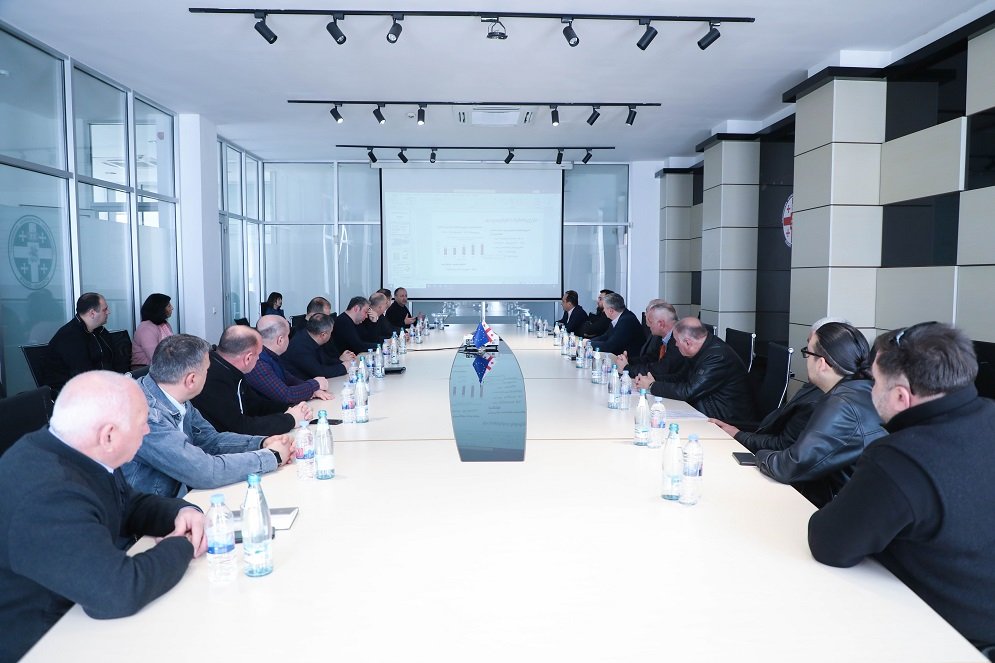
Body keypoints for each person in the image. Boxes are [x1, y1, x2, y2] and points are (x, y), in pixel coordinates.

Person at [808, 323, 995, 656]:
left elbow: (830, 545)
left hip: (945, 641)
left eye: (875, 381)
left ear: (899, 397)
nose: (870, 390)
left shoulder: (900, 458)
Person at [0, 371, 205, 661]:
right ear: (108, 435)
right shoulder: (47, 493)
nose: (147, 431)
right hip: (46, 641)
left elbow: (128, 504)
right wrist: (183, 544)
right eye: (142, 423)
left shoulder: (77, 449)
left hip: (79, 614)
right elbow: (119, 592)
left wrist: (182, 511)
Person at [122, 334, 295, 498]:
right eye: (207, 370)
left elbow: (211, 441)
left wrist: (261, 443)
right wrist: (272, 456)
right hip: (156, 511)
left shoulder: (175, 395)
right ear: (191, 380)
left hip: (182, 498)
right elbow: (204, 471)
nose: (209, 374)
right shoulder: (146, 417)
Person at [744, 321, 885, 506]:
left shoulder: (840, 405)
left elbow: (790, 466)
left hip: (841, 509)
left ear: (822, 363)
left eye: (807, 353)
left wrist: (759, 456)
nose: (806, 360)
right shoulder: (866, 390)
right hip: (862, 502)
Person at [712, 318, 852, 458]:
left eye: (809, 351)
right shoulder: (821, 388)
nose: (806, 359)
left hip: (770, 457)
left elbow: (785, 448)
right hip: (763, 445)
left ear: (822, 362)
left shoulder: (819, 402)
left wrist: (738, 435)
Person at [191, 325, 311, 436]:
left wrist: (291, 409)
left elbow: (256, 405)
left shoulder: (229, 368)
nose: (258, 359)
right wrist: (290, 419)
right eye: (258, 355)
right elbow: (239, 428)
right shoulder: (211, 378)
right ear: (248, 358)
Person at [634, 317, 755, 421]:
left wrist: (652, 386)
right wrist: (652, 379)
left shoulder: (717, 357)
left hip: (725, 419)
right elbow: (680, 377)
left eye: (676, 341)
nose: (675, 345)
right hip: (704, 410)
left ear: (688, 342)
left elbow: (688, 392)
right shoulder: (700, 349)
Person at [246, 315, 334, 405]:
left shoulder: (269, 354)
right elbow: (287, 395)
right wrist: (315, 384)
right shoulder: (257, 362)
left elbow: (289, 379)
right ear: (280, 340)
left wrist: (312, 391)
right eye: (288, 336)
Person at [47, 292, 119, 391]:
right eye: (105, 309)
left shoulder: (100, 332)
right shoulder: (69, 337)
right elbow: (83, 375)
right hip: (71, 392)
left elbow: (113, 362)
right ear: (92, 313)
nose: (108, 312)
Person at [616, 300, 686, 380]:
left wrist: (627, 369)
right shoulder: (662, 337)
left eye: (650, 322)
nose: (648, 325)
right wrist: (628, 361)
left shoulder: (678, 340)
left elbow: (661, 369)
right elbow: (651, 358)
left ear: (661, 324)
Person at [283, 313, 349, 379]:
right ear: (323, 335)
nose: (331, 335)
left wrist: (340, 361)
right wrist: (344, 367)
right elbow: (319, 373)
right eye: (330, 332)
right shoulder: (300, 348)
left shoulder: (309, 336)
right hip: (300, 383)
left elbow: (324, 360)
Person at [590, 292, 645, 360]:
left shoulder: (626, 321)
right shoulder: (621, 317)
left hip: (631, 361)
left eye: (604, 308)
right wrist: (589, 341)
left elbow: (609, 346)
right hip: (620, 357)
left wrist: (589, 344)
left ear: (611, 311)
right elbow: (606, 336)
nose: (603, 311)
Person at [131, 293, 175, 368]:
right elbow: (155, 358)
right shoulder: (146, 329)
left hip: (163, 366)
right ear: (159, 309)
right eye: (169, 306)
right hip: (144, 369)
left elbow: (173, 347)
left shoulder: (164, 325)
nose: (172, 308)